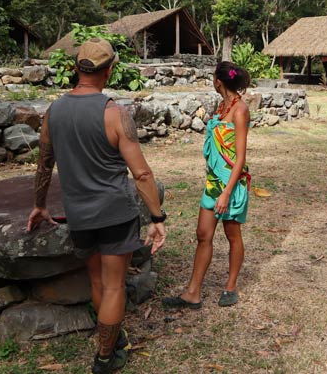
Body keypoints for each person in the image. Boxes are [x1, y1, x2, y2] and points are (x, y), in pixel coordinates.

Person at [26, 38, 167, 374]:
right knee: (115, 284)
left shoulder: (53, 111)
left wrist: (39, 205)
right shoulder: (114, 113)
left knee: (98, 283)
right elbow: (142, 173)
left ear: (77, 68)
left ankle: (112, 339)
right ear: (111, 70)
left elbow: (44, 164)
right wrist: (157, 218)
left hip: (79, 214)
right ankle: (105, 357)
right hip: (115, 212)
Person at [163, 61, 251, 309]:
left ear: (219, 81)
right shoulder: (222, 106)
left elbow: (240, 157)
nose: (212, 81)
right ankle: (193, 293)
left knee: (232, 235)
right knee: (203, 234)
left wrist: (226, 194)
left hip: (231, 185)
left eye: (213, 77)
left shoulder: (240, 110)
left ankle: (230, 287)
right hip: (213, 182)